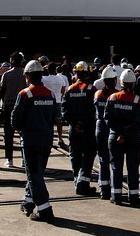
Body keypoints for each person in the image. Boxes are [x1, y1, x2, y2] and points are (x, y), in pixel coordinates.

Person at [11, 59, 56, 222]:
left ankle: (44, 209)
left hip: (30, 141)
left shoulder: (25, 94)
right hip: (46, 140)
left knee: (34, 175)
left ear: (28, 76)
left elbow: (15, 121)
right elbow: (53, 117)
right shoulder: (50, 93)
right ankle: (28, 201)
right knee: (38, 174)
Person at [106, 68, 140, 206]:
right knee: (133, 167)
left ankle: (116, 196)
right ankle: (133, 197)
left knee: (116, 166)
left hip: (115, 137)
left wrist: (120, 133)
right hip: (132, 138)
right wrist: (126, 133)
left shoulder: (112, 98)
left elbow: (107, 119)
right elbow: (138, 122)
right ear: (133, 84)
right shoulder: (137, 100)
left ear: (121, 83)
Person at [62, 62, 96, 195]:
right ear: (87, 74)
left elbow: (64, 110)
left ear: (76, 74)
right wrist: (83, 123)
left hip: (74, 129)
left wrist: (75, 123)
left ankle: (77, 180)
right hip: (88, 129)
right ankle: (83, 183)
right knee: (88, 154)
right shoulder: (91, 89)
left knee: (75, 155)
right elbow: (93, 110)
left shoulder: (69, 90)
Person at [93, 67, 118, 200]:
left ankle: (104, 190)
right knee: (114, 160)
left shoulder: (97, 94)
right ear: (114, 81)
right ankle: (114, 190)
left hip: (100, 128)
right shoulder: (116, 95)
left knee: (103, 160)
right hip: (112, 129)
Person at [0, 52, 27, 168]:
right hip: (24, 106)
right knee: (24, 135)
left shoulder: (6, 75)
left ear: (11, 61)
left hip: (9, 106)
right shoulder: (26, 74)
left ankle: (9, 159)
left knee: (8, 135)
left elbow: (2, 91)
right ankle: (24, 160)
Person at [41, 61, 70, 150]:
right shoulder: (60, 79)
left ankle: (49, 139)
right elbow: (63, 90)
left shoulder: (44, 79)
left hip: (48, 102)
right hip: (58, 101)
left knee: (48, 121)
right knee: (58, 121)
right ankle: (60, 138)